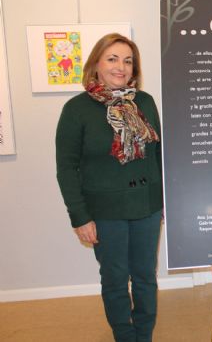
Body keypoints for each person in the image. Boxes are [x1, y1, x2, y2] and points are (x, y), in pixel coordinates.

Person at [56, 33, 163, 342]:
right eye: (112, 59)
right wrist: (80, 217)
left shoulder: (144, 102)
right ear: (96, 64)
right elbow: (67, 168)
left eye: (128, 61)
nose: (121, 67)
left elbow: (157, 154)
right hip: (104, 212)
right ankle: (125, 336)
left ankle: (143, 335)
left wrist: (164, 199)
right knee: (115, 278)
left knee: (145, 276)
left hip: (146, 206)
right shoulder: (76, 109)